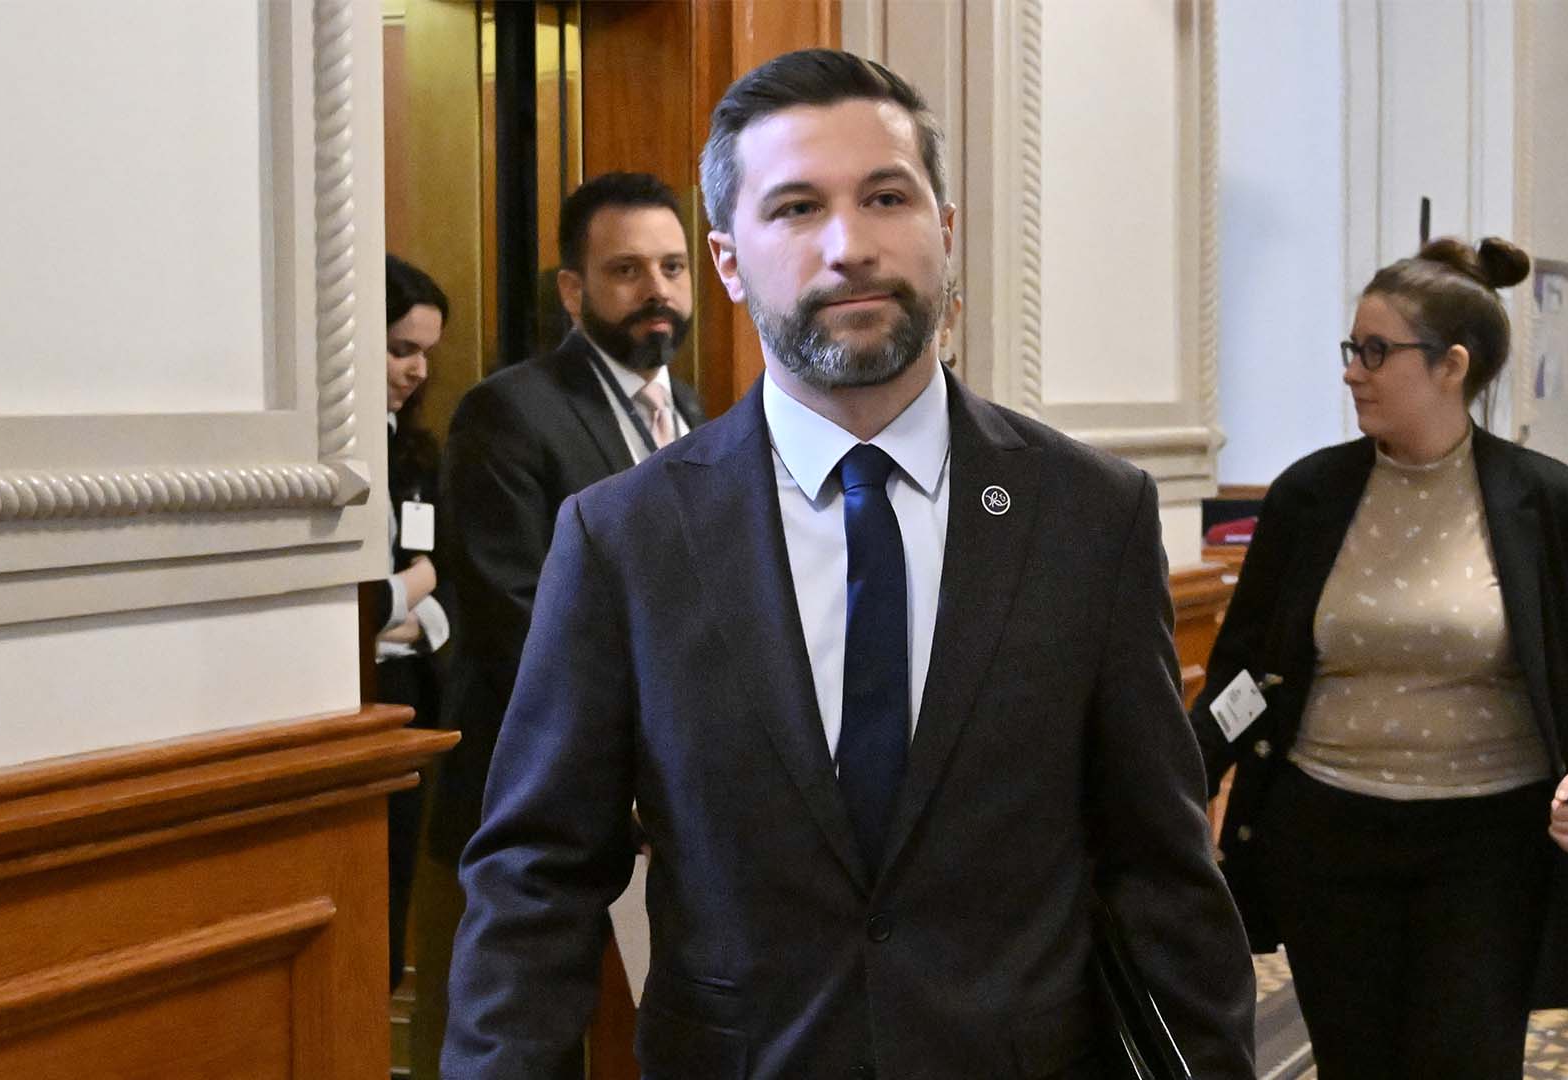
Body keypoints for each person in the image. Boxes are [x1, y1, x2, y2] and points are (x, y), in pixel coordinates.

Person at [443, 48, 1258, 1078]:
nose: (849, 247)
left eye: (886, 198)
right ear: (728, 261)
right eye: (793, 209)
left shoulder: (1086, 515)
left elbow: (1162, 872)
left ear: (946, 232)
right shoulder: (625, 537)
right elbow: (535, 879)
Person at [1194, 237, 1568, 1078]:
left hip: (1488, 850)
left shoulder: (1545, 500)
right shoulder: (1311, 495)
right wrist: (1176, 788)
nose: (1352, 371)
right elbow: (1242, 671)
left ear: (1452, 366)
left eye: (1376, 351)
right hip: (1325, 839)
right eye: (1352, 349)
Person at [410, 172, 708, 1080]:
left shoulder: (695, 414)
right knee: (510, 1030)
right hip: (535, 791)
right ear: (574, 291)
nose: (657, 289)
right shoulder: (511, 410)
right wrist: (641, 760)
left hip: (661, 800)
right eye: (627, 270)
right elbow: (515, 617)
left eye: (672, 266)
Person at [376, 253, 452, 991]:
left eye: (425, 352)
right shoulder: (337, 454)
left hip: (412, 703)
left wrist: (414, 610)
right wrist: (412, 591)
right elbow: (354, 603)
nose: (417, 370)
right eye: (400, 350)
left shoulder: (420, 452)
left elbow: (449, 581)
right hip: (350, 702)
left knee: (396, 898)